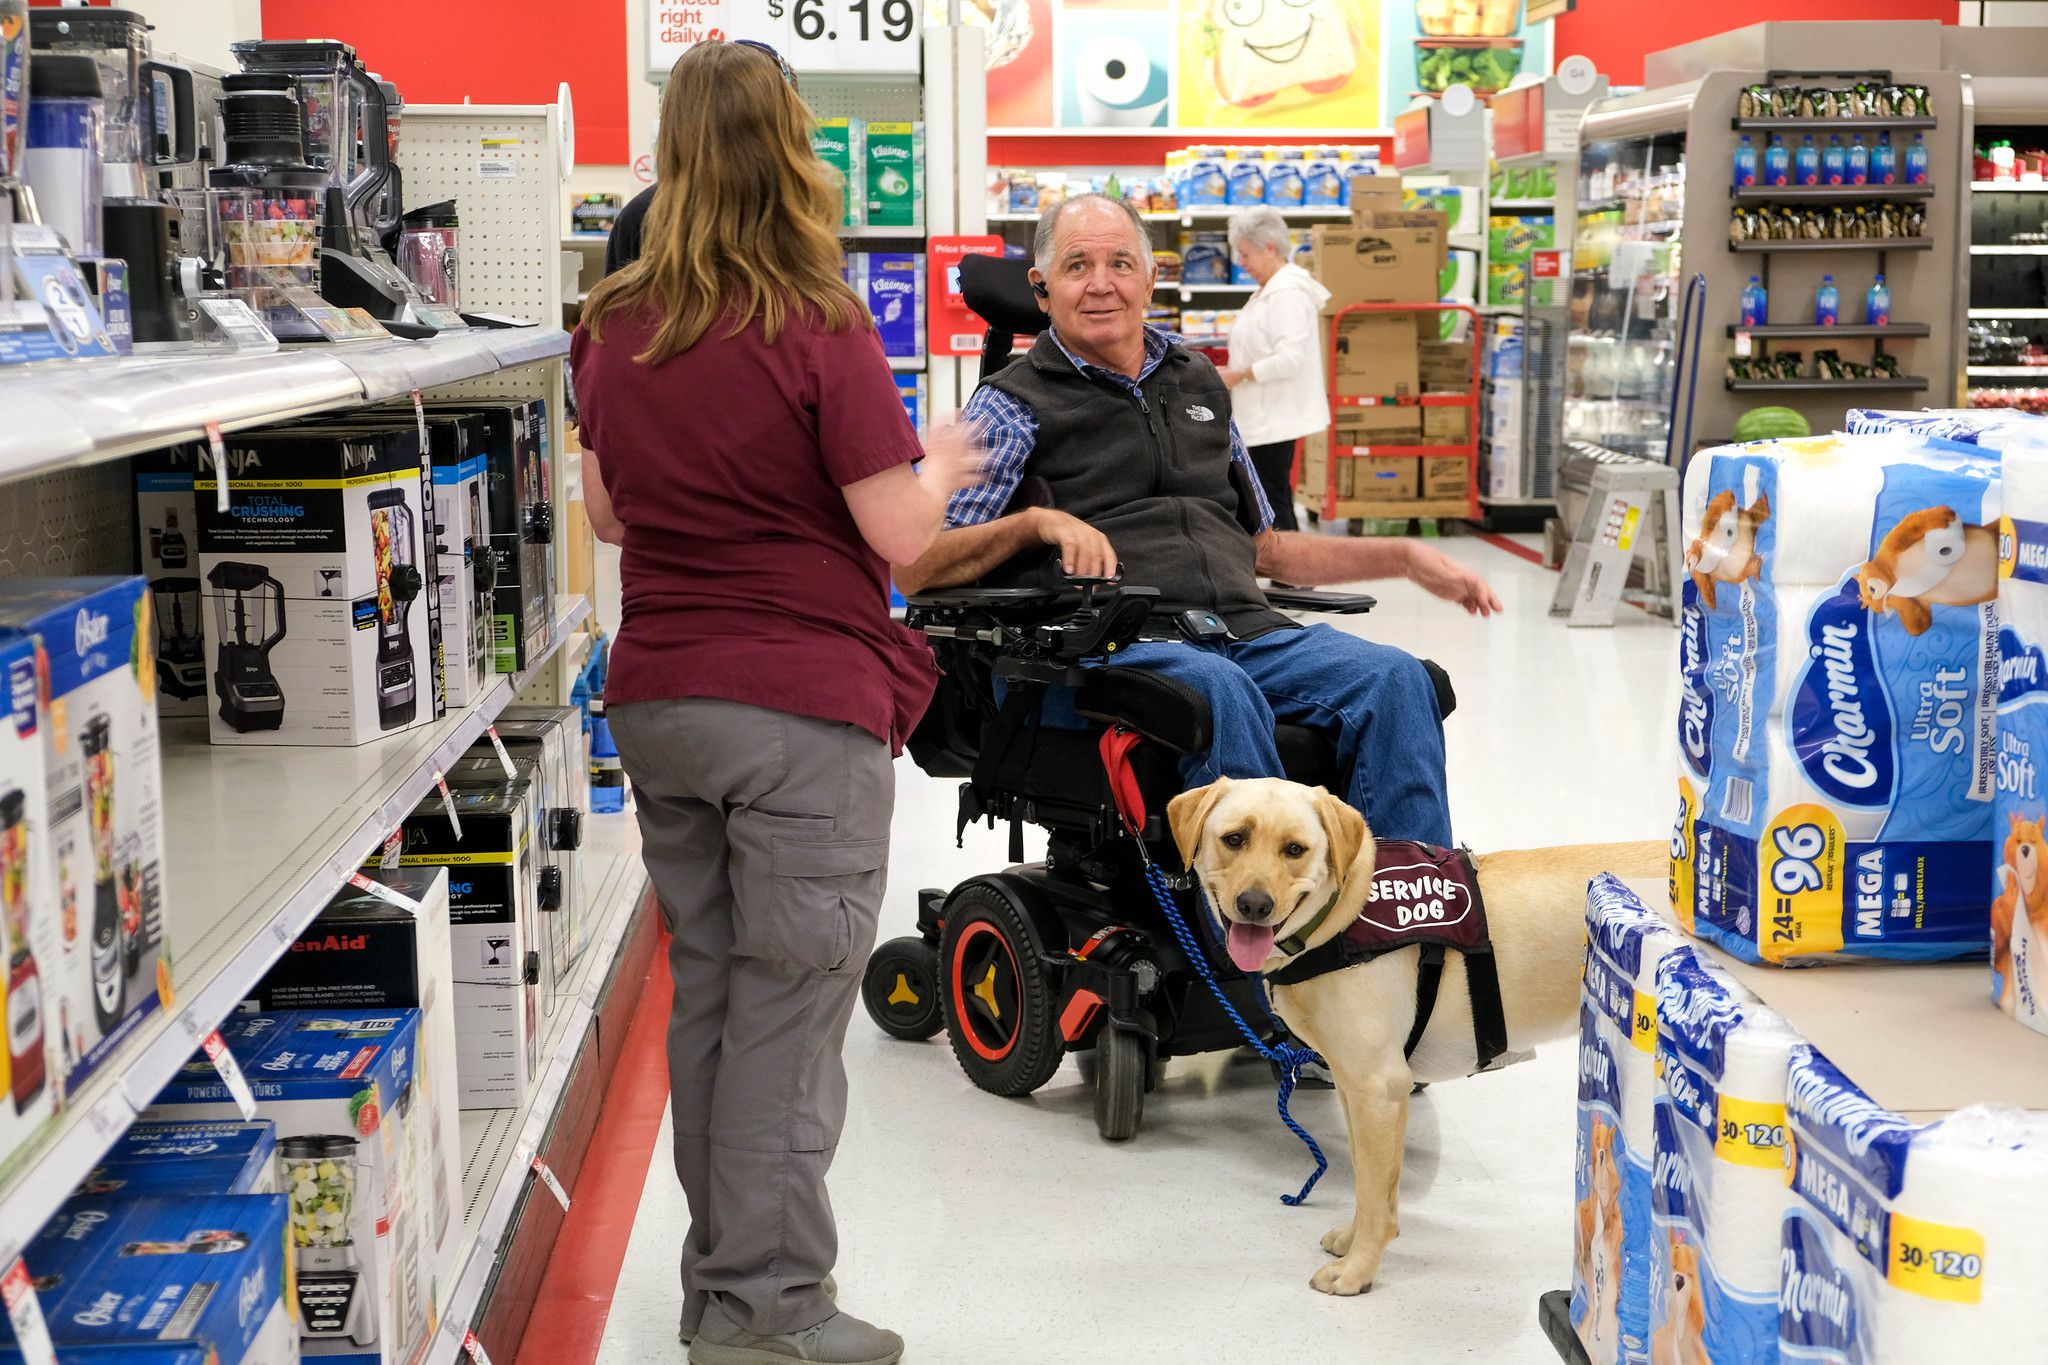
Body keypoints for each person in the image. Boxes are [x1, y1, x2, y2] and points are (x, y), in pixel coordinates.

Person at [571, 39, 978, 1365]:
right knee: (794, 1019)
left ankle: (720, 1292)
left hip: (662, 694)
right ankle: (770, 1315)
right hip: (799, 703)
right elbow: (902, 538)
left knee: (715, 1005)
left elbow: (614, 519)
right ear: (794, 148)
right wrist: (946, 459)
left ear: (670, 153)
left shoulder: (614, 327)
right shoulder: (819, 319)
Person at [895, 194, 1502, 850]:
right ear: (1042, 289)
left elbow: (1265, 548)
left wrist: (1405, 559)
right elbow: (919, 561)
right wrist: (1037, 523)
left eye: (1120, 263)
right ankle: (1257, 939)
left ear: (1152, 277)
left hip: (1243, 630)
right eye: (1077, 266)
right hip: (1108, 646)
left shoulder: (1200, 383)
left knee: (1396, 677)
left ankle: (1404, 914)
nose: (1102, 283)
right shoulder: (1013, 402)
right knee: (1220, 690)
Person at [1218, 205, 1329, 533]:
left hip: (1275, 416)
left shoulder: (1288, 293)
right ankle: (1288, 574)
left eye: (1245, 254)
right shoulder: (1269, 289)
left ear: (1269, 247)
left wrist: (1240, 374)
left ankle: (1293, 577)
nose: (1241, 264)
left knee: (1273, 497)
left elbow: (1289, 357)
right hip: (1263, 413)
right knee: (1268, 495)